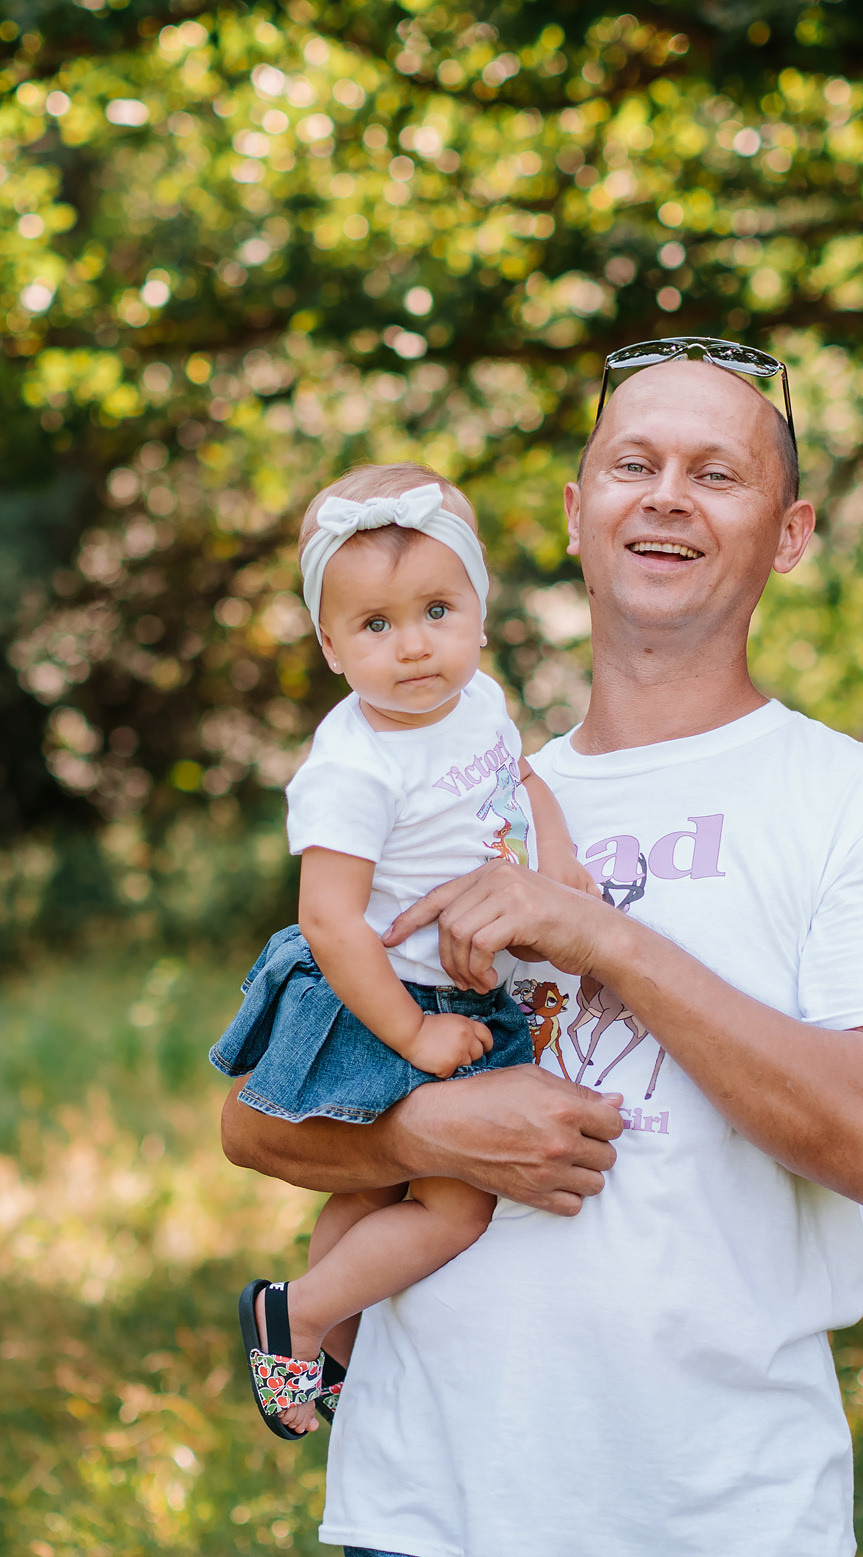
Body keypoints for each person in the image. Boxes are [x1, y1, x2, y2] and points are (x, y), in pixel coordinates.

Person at [220, 340, 863, 1557]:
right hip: (434, 1526)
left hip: (733, 1536)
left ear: (790, 530)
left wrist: (600, 934)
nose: (666, 496)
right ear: (575, 514)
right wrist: (439, 1121)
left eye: (717, 473)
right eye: (633, 464)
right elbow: (255, 1118)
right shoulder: (426, 782)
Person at [213, 463, 598, 1441]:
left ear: (476, 609)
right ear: (332, 646)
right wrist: (417, 1034)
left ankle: (323, 1343)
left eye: (436, 610)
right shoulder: (352, 765)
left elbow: (517, 781)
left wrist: (555, 861)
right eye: (376, 627)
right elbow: (332, 923)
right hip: (379, 992)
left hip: (444, 986)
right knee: (453, 1205)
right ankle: (292, 1313)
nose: (414, 646)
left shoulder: (479, 703)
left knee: (371, 1184)